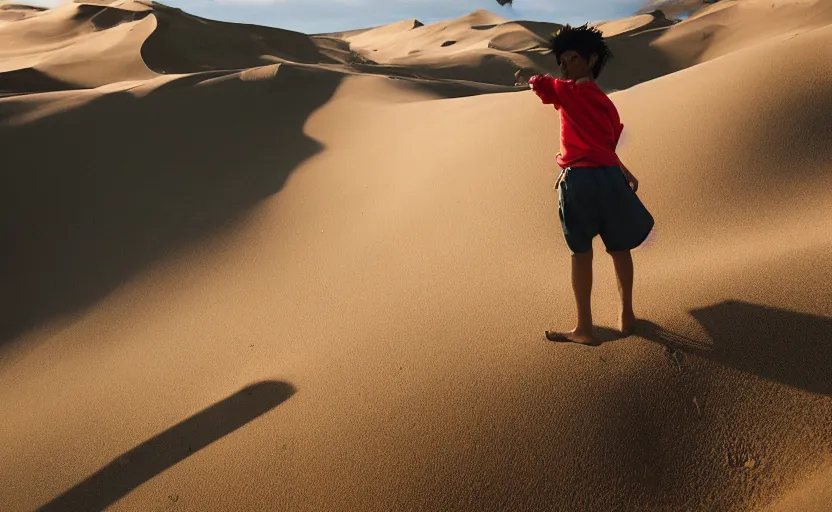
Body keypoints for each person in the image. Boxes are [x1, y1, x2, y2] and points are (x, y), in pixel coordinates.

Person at [528, 24, 655, 345]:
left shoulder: (566, 91)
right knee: (619, 248)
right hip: (609, 178)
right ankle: (627, 315)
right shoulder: (605, 103)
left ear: (591, 59)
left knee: (581, 253)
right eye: (563, 60)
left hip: (579, 181)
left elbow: (540, 85)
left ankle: (585, 327)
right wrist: (622, 170)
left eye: (572, 58)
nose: (565, 66)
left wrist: (534, 79)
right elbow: (606, 143)